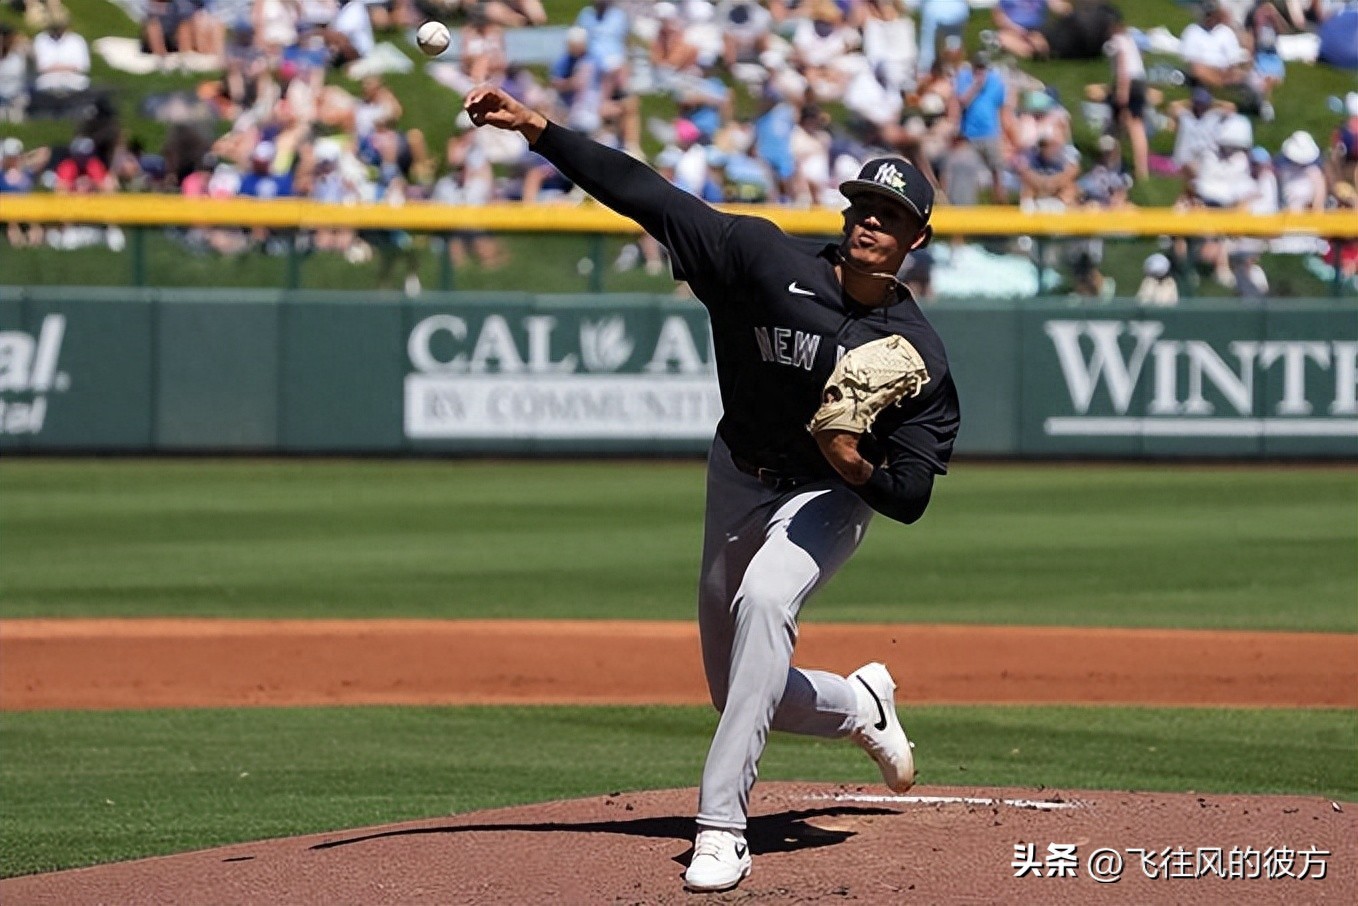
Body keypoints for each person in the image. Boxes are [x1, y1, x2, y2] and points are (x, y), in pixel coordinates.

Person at [464, 82, 959, 895]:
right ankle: (861, 705)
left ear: (917, 238)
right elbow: (649, 197)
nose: (872, 220)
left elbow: (909, 495)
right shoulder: (761, 260)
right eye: (863, 206)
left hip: (827, 499)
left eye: (891, 215)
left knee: (767, 603)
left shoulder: (917, 353)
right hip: (736, 476)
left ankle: (723, 826)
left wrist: (847, 460)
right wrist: (539, 130)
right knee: (739, 689)